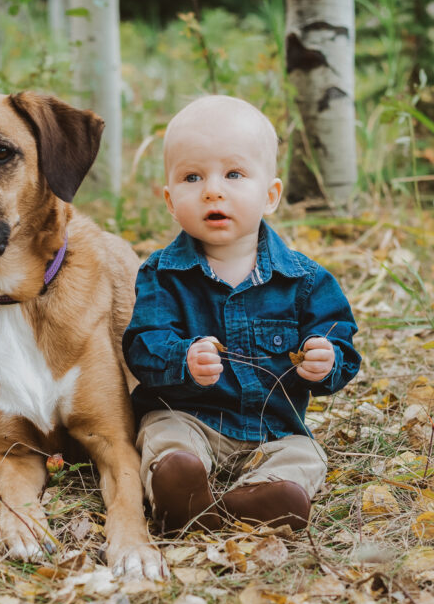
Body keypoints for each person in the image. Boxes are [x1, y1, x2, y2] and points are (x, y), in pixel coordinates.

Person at [122, 95, 361, 534]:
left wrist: (326, 359)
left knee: (306, 456)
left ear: (270, 195)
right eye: (193, 177)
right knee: (165, 438)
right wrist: (182, 358)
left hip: (274, 429)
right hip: (188, 417)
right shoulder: (160, 274)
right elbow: (142, 345)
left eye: (233, 174)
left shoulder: (304, 280)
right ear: (171, 201)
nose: (213, 189)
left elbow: (340, 342)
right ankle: (178, 492)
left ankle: (256, 499)